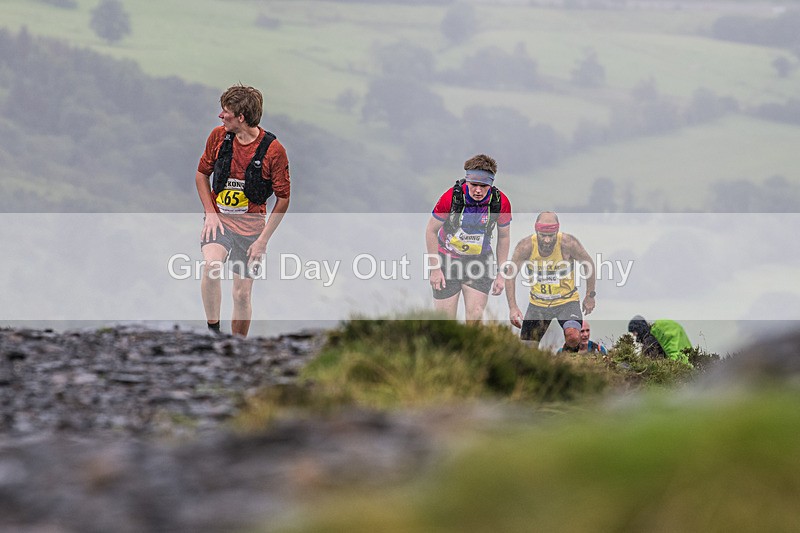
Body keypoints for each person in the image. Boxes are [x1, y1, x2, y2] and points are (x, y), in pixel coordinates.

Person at [195, 84, 291, 337]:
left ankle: (237, 348)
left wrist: (262, 241)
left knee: (241, 294)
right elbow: (201, 175)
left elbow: (283, 199)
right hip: (220, 223)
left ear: (241, 117)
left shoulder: (273, 150)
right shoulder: (218, 137)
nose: (220, 116)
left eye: (226, 111)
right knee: (211, 267)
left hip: (252, 230)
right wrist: (211, 213)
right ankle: (213, 332)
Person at [425, 154, 512, 323]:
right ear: (467, 181)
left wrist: (501, 274)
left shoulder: (500, 202)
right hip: (447, 260)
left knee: (475, 317)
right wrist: (435, 269)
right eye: (474, 185)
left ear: (491, 184)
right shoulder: (451, 197)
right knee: (445, 322)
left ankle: (472, 350)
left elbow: (504, 237)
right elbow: (430, 231)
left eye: (484, 186)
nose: (478, 190)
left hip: (480, 261)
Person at [505, 212, 596, 346]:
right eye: (543, 236)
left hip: (566, 302)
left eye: (551, 236)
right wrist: (512, 307)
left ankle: (568, 363)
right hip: (538, 304)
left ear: (557, 231)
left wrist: (590, 295)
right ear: (536, 231)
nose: (547, 240)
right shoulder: (525, 246)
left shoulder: (568, 243)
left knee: (573, 336)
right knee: (526, 349)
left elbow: (588, 264)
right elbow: (510, 275)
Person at [628, 315, 692, 366]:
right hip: (686, 365)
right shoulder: (655, 335)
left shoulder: (649, 340)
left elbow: (647, 361)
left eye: (634, 331)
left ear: (639, 329)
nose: (634, 335)